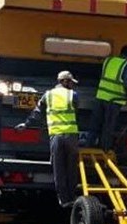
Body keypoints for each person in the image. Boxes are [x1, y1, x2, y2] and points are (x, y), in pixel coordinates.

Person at [16, 70, 80, 208]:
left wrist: (26, 125)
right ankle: (72, 197)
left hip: (56, 137)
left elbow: (37, 113)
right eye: (70, 82)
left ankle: (64, 200)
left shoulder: (48, 95)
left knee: (59, 169)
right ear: (64, 81)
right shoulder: (73, 95)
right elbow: (76, 109)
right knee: (71, 169)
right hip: (71, 137)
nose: (72, 85)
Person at [89, 44, 127, 151]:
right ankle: (104, 150)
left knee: (95, 124)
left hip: (100, 97)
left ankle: (88, 146)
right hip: (113, 101)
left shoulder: (108, 61)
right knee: (108, 127)